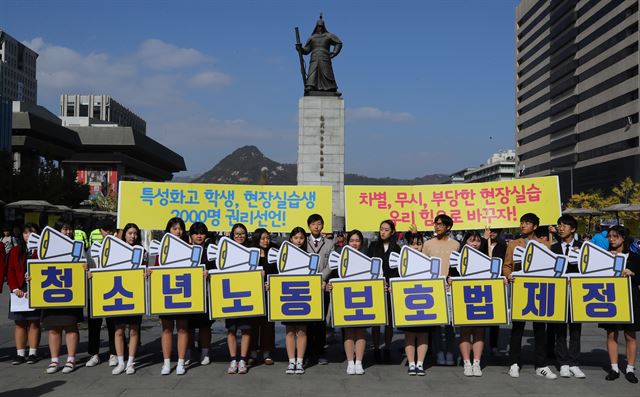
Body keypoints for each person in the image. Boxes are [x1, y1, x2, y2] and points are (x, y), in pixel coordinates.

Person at [503, 213, 557, 379]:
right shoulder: (513, 244)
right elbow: (506, 265)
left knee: (540, 329)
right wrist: (508, 275)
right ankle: (514, 363)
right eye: (522, 222)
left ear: (534, 226)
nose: (523, 225)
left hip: (539, 290)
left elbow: (552, 266)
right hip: (520, 289)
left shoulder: (545, 244)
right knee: (517, 328)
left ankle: (541, 365)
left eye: (526, 223)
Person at [40, 222, 84, 374]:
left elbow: (84, 265)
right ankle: (54, 360)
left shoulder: (77, 246)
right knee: (53, 328)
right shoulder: (46, 247)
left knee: (71, 326)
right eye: (65, 229)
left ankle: (71, 359)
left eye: (70, 229)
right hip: (52, 292)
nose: (68, 232)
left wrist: (85, 268)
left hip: (71, 292)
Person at [153, 217, 191, 376]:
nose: (178, 231)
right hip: (167, 293)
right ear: (168, 230)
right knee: (167, 329)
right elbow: (155, 268)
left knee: (182, 329)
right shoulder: (161, 250)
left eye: (180, 228)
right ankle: (167, 362)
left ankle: (181, 362)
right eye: (175, 228)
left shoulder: (190, 248)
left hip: (183, 291)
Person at [601, 225, 639, 383]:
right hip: (610, 297)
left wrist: (632, 273)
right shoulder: (604, 256)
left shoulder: (635, 257)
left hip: (630, 297)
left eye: (615, 236)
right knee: (611, 333)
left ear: (623, 238)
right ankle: (614, 367)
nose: (611, 239)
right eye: (609, 236)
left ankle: (630, 368)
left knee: (630, 335)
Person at [327, 230, 368, 375]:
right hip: (346, 299)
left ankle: (359, 362)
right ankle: (350, 362)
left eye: (357, 241)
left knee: (361, 331)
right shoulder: (340, 258)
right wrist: (330, 285)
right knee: (349, 331)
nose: (354, 243)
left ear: (361, 242)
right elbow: (333, 277)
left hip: (363, 298)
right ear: (347, 242)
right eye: (352, 240)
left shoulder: (366, 257)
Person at [550, 215, 585, 379]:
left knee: (576, 329)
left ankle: (574, 363)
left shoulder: (583, 247)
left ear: (573, 229)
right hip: (560, 293)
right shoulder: (553, 248)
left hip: (578, 294)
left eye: (564, 225)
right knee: (561, 330)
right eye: (559, 225)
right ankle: (563, 363)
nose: (561, 228)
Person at [107, 223, 144, 375]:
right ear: (124, 234)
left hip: (135, 295)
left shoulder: (142, 251)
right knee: (119, 330)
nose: (133, 236)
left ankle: (130, 362)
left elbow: (148, 268)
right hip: (118, 295)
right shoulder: (114, 251)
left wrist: (147, 272)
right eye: (130, 233)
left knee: (134, 330)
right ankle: (120, 361)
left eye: (135, 233)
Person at [422, 214, 459, 366]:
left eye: (440, 224)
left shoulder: (456, 244)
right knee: (436, 324)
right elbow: (424, 265)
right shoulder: (428, 244)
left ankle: (450, 353)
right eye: (435, 223)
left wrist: (453, 278)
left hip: (450, 288)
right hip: (433, 289)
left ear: (448, 227)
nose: (437, 226)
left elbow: (457, 267)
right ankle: (438, 354)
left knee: (450, 324)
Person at [449, 231, 486, 377]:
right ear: (465, 242)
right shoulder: (457, 259)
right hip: (463, 298)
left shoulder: (486, 258)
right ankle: (466, 362)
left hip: (480, 298)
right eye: (471, 240)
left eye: (477, 241)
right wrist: (449, 280)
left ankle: (476, 363)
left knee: (479, 331)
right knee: (465, 331)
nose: (475, 244)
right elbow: (450, 275)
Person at [7, 224, 41, 365]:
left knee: (34, 322)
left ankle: (33, 353)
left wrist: (35, 284)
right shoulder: (15, 251)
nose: (28, 236)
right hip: (18, 292)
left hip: (36, 290)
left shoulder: (42, 251)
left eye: (31, 233)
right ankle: (20, 354)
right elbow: (10, 270)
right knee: (20, 323)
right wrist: (14, 288)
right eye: (25, 233)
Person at [368, 219, 401, 363]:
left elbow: (399, 269)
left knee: (388, 322)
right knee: (376, 321)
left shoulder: (397, 248)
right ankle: (376, 348)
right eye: (381, 229)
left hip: (390, 288)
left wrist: (391, 284)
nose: (383, 232)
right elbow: (369, 266)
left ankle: (387, 348)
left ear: (392, 232)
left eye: (386, 229)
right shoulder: (373, 246)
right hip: (376, 287)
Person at [86, 221, 117, 369]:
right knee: (94, 324)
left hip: (114, 290)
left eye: (111, 230)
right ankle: (94, 354)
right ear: (100, 231)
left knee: (113, 324)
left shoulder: (118, 247)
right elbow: (86, 267)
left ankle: (114, 353)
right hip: (95, 291)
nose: (108, 232)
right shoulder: (91, 249)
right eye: (105, 230)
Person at [397, 230, 428, 376]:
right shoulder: (403, 262)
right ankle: (411, 363)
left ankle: (420, 363)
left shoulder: (428, 260)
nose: (416, 247)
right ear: (408, 245)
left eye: (419, 244)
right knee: (409, 333)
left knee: (423, 334)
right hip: (408, 301)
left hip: (425, 300)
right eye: (413, 244)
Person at [281, 227, 311, 375]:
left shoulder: (309, 255)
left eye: (301, 238)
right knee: (290, 330)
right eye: (296, 238)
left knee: (302, 330)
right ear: (291, 239)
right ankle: (291, 361)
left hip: (303, 293)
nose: (298, 240)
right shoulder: (284, 255)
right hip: (288, 294)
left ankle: (300, 361)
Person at [305, 214, 333, 365]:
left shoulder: (329, 243)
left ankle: (320, 350)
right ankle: (308, 351)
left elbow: (331, 264)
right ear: (309, 226)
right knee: (309, 320)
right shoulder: (303, 241)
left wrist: (321, 278)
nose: (316, 226)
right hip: (307, 286)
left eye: (319, 224)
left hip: (323, 285)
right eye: (313, 224)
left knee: (322, 320)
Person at [225, 223, 253, 374]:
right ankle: (232, 359)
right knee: (231, 329)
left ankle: (243, 359)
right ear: (232, 236)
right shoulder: (226, 251)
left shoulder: (251, 250)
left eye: (242, 233)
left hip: (247, 294)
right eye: (237, 234)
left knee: (246, 329)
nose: (240, 236)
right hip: (230, 295)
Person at [187, 222, 215, 366]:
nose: (199, 236)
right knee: (189, 326)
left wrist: (210, 272)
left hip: (206, 293)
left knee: (205, 326)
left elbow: (219, 269)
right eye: (196, 233)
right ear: (190, 235)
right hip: (188, 293)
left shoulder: (211, 252)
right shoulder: (185, 250)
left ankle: (205, 352)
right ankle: (190, 352)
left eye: (202, 233)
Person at [249, 228, 276, 366]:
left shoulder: (274, 251)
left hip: (268, 293)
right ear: (257, 239)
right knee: (253, 324)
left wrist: (272, 283)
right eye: (263, 238)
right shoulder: (250, 252)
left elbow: (278, 272)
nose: (266, 241)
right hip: (253, 294)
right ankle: (253, 353)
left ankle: (267, 353)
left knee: (267, 324)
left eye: (267, 238)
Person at [296, 14, 342, 93]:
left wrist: (334, 52)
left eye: (321, 26)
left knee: (327, 73)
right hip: (314, 57)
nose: (320, 28)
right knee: (312, 72)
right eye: (318, 26)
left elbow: (339, 43)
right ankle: (310, 86)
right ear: (316, 27)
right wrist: (300, 49)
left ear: (324, 27)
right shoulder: (312, 37)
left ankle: (331, 88)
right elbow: (306, 50)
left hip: (325, 57)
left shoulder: (328, 36)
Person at [483, 227, 507, 355]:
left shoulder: (502, 245)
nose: (491, 233)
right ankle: (478, 346)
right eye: (490, 231)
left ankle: (493, 345)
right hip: (481, 282)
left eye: (494, 231)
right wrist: (484, 240)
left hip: (496, 282)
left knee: (495, 316)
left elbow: (505, 263)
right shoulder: (481, 243)